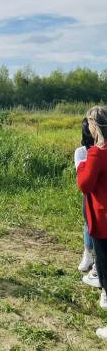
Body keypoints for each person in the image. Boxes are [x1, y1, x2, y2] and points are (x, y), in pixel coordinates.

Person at [76, 106, 107, 338]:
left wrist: (83, 164)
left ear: (95, 126)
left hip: (103, 220)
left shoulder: (98, 153)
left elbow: (84, 184)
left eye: (90, 124)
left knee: (105, 270)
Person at [77, 119, 100, 287]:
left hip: (98, 194)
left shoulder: (100, 151)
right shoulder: (82, 152)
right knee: (88, 223)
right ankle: (88, 254)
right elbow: (83, 180)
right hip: (90, 194)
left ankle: (97, 265)